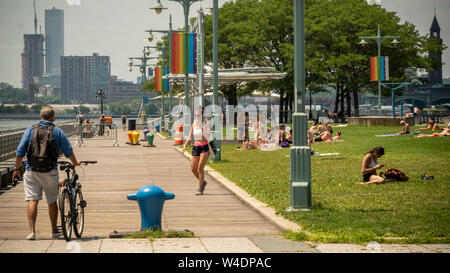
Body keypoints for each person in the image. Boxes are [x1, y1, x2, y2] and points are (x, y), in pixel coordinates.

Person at [12, 105, 81, 240]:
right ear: (53, 117)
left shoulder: (31, 129)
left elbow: (20, 151)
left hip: (31, 170)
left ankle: (32, 232)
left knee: (32, 200)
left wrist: (16, 169)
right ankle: (54, 231)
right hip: (50, 171)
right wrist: (75, 163)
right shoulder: (57, 131)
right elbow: (68, 151)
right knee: (52, 201)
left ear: (40, 117)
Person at [182, 109, 210, 195]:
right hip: (196, 147)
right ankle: (203, 182)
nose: (197, 117)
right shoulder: (193, 125)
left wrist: (202, 127)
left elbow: (208, 135)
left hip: (204, 147)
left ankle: (200, 188)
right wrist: (185, 146)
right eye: (196, 115)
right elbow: (190, 136)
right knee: (193, 169)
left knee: (200, 168)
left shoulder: (206, 124)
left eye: (198, 115)